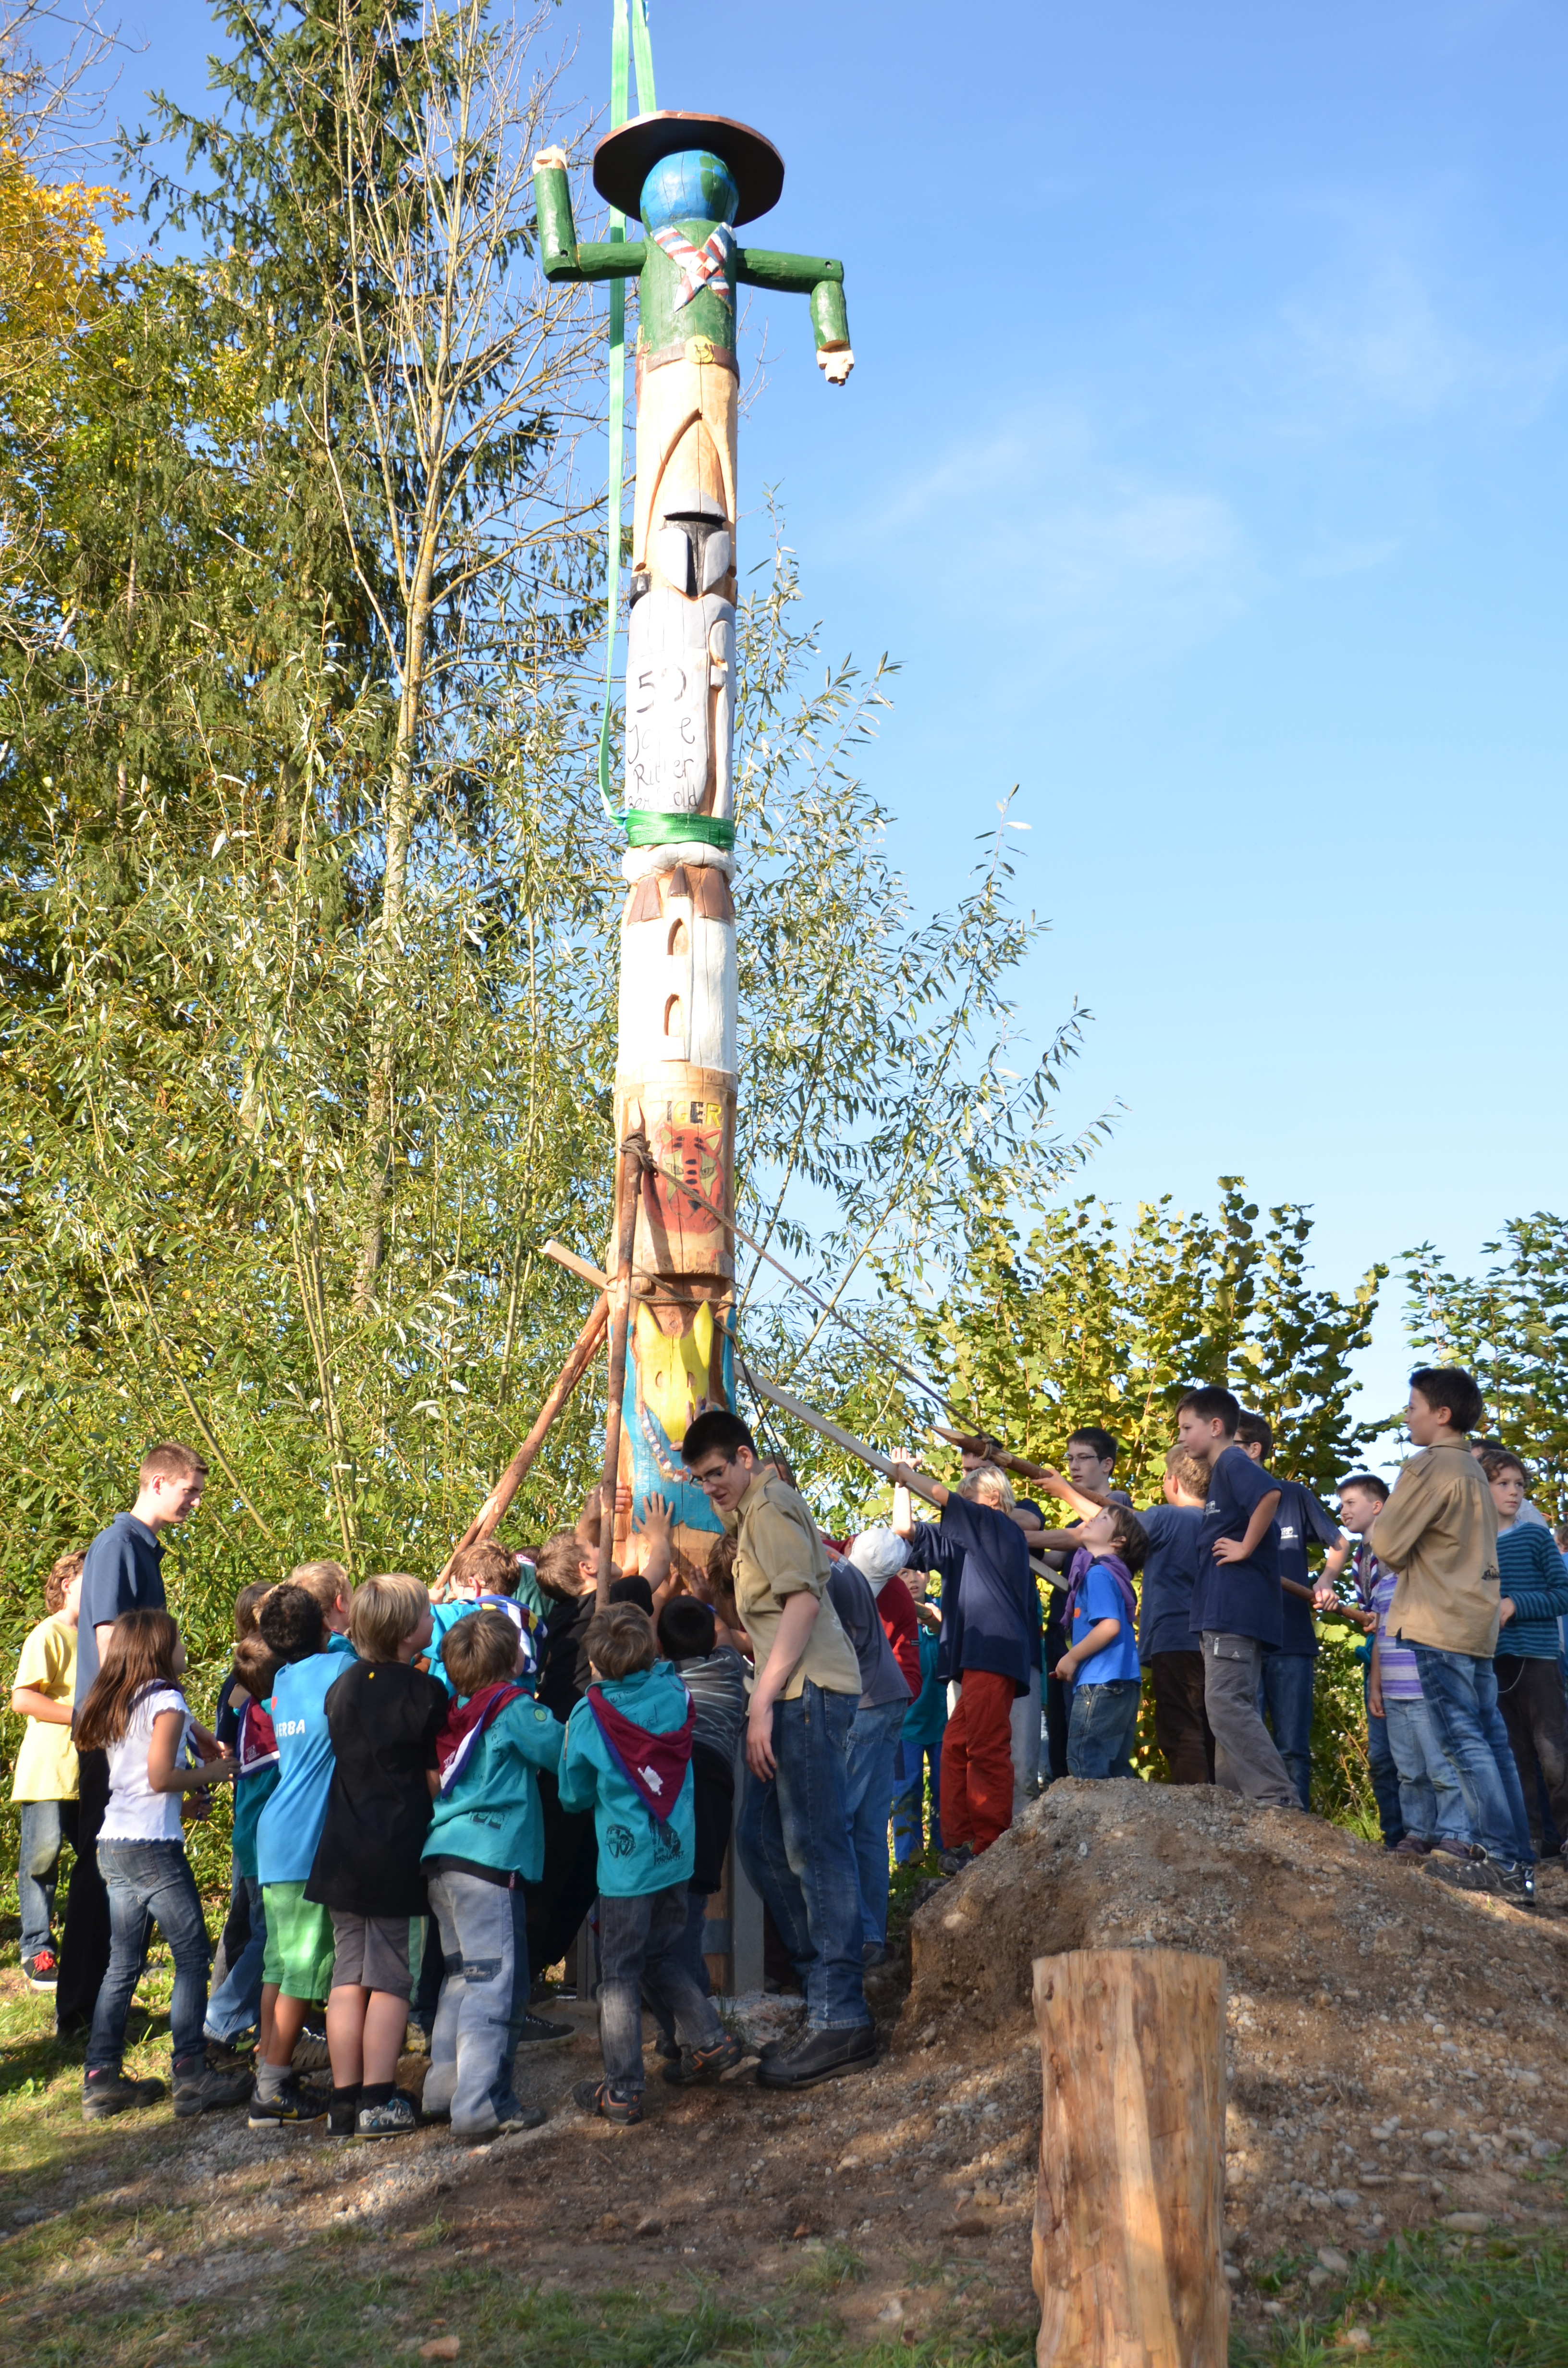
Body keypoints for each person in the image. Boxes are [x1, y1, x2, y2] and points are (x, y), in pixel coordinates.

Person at [682, 1408, 874, 2091]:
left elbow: (801, 1605)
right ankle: (822, 1987)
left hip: (809, 1693)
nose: (712, 1488)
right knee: (760, 1839)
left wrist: (761, 1702)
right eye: (701, 1481)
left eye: (717, 1474)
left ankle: (840, 2012)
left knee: (814, 1846)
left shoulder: (767, 1508)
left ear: (745, 1455)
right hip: (790, 1694)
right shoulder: (747, 1517)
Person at [559, 1603, 742, 2124]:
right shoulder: (675, 1692)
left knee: (618, 1972)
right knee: (662, 1956)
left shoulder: (590, 1716)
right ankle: (709, 2039)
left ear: (596, 1659)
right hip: (675, 1855)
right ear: (652, 1648)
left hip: (626, 1868)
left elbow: (573, 1793)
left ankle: (621, 2087)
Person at [57, 1441, 207, 2038]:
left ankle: (99, 2008)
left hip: (132, 1720)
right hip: (114, 1731)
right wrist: (168, 1719)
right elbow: (113, 1645)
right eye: (189, 1489)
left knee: (115, 1869)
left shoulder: (141, 1547)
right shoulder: (119, 1545)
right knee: (102, 1871)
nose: (195, 1500)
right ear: (157, 1483)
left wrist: (189, 1724)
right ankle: (79, 2013)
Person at [74, 1608, 249, 2120]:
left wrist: (185, 1801)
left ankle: (101, 2075)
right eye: (177, 1640)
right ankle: (193, 2073)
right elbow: (157, 1776)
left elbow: (133, 1779)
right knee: (193, 1954)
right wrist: (211, 1771)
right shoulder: (167, 1699)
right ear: (158, 1647)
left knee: (123, 1961)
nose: (184, 1647)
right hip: (152, 1846)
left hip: (116, 1840)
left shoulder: (115, 1699)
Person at [1370, 1367, 1533, 1901]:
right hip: (1475, 1620)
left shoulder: (1431, 1464)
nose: (1407, 1414)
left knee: (1465, 1743)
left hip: (1438, 1622)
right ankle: (1518, 1862)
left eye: (1412, 1404)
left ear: (1441, 1414)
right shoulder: (1473, 1469)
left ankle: (1501, 1861)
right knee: (1492, 1742)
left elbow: (1388, 1543)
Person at [305, 1574, 446, 2138]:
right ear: (406, 1630)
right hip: (393, 1847)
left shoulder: (342, 1688)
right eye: (425, 1612)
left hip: (341, 1848)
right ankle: (379, 2097)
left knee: (348, 1974)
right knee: (390, 1977)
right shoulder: (423, 1692)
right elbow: (436, 1774)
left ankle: (343, 2099)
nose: (432, 1617)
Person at [421, 1607, 562, 2138]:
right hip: (488, 1861)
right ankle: (483, 2102)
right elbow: (560, 1748)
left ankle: (446, 2086)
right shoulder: (512, 1707)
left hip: (442, 1860)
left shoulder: (457, 1713)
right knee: (493, 1983)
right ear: (512, 1659)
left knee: (460, 1976)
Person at [888, 1457, 1036, 1866]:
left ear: (990, 1498)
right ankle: (958, 1841)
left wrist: (907, 1472)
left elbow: (939, 1495)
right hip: (973, 1655)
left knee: (986, 1746)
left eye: (967, 1495)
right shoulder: (963, 1543)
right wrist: (899, 1486)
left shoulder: (998, 1526)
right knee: (956, 1746)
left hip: (993, 1649)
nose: (958, 1505)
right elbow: (904, 1531)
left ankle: (991, 1842)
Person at [248, 1582, 348, 2126]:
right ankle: (271, 2089)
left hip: (277, 1837)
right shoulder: (337, 1672)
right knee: (303, 1971)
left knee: (280, 1963)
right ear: (327, 1625)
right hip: (309, 1841)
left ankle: (272, 2065)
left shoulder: (283, 1678)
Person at [1175, 1386, 1299, 1811]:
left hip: (1234, 1611)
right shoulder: (1220, 1473)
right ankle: (1236, 1805)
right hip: (1222, 1612)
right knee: (1226, 1706)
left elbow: (1269, 1494)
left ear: (1215, 1426)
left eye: (1187, 1428)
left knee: (1226, 1703)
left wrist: (1245, 1546)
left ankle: (1275, 1796)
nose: (1182, 1438)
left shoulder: (1230, 1459)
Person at [1235, 1413, 1347, 1812]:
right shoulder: (1222, 1501)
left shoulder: (1293, 1495)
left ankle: (1300, 1828)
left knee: (1292, 1747)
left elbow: (1339, 1543)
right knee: (1243, 1744)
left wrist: (1326, 1580)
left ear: (1254, 1450)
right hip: (1241, 1638)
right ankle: (1251, 1827)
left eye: (1232, 1446)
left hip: (1291, 1638)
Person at [654, 1594, 747, 2052]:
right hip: (713, 1791)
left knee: (675, 1910)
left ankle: (692, 2029)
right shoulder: (731, 1669)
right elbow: (726, 1633)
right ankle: (693, 2022)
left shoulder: (660, 1679)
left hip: (672, 1789)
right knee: (692, 1905)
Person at [1480, 1449, 1568, 1858]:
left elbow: (1562, 1593)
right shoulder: (1471, 1547)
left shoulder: (1535, 1536)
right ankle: (1534, 1840)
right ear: (1482, 1488)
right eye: (1503, 1484)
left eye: (1519, 1484)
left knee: (1553, 1752)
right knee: (1515, 1757)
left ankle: (1566, 1834)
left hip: (1538, 1660)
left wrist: (1515, 1604)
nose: (1514, 1492)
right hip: (1492, 1664)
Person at [1366, 1517, 1470, 1861]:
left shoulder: (1431, 1581)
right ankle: (1418, 1831)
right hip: (1395, 1695)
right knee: (1409, 1771)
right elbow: (1380, 1640)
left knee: (1441, 1769)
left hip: (1427, 1693)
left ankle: (1455, 1832)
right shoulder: (1382, 1588)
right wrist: (1375, 1687)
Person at [826, 1549, 912, 1961]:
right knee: (870, 1827)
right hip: (891, 1696)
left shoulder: (818, 1571)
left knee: (837, 1820)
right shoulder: (845, 1568)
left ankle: (859, 1934)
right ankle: (873, 1938)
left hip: (866, 1702)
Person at [203, 1630, 282, 2064]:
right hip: (265, 1848)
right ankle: (220, 2020)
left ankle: (240, 2024)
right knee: (267, 1937)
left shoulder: (251, 1705)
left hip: (251, 1842)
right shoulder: (275, 1713)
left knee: (264, 1934)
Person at [1035, 1429, 1132, 1783]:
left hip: (1094, 1638)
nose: (1074, 1466)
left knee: (1087, 1739)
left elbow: (1109, 1527)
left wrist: (1064, 1492)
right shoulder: (1082, 1521)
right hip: (1065, 1627)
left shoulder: (1115, 1508)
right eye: (1069, 1459)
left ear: (1107, 1464)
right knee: (1062, 1729)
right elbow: (1054, 1556)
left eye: (1083, 1458)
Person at [11, 1551, 84, 1991]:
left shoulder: (96, 1636)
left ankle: (93, 1946)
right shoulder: (49, 1633)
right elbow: (23, 1699)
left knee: (99, 1863)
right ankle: (37, 1949)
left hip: (87, 1769)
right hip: (47, 1771)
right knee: (42, 1860)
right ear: (68, 1583)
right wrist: (81, 1715)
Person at [1041, 1503, 1148, 1778]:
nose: (1091, 1519)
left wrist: (1072, 1657)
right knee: (1115, 1769)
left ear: (1117, 1541)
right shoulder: (1117, 1575)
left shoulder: (1098, 1574)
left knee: (1086, 1764)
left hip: (1099, 1684)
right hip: (1125, 1684)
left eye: (1101, 1518)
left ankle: (1092, 1822)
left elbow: (1109, 1626)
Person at [1335, 1474, 1406, 1849]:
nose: (1342, 1510)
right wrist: (1342, 1609)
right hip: (1376, 1661)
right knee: (1381, 1758)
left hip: (1401, 1662)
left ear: (1376, 1506)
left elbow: (1387, 1616)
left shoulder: (1393, 1551)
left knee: (1407, 1756)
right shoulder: (1359, 1557)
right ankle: (1395, 1837)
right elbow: (1370, 1617)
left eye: (1350, 1503)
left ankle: (1418, 1834)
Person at [890, 1567, 946, 1861]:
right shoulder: (893, 1615)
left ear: (928, 1577)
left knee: (944, 1790)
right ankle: (909, 1864)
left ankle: (944, 1856)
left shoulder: (942, 1612)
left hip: (942, 1726)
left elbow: (947, 1638)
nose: (912, 1579)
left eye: (918, 1572)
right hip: (904, 1727)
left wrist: (935, 1620)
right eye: (903, 1573)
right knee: (906, 1791)